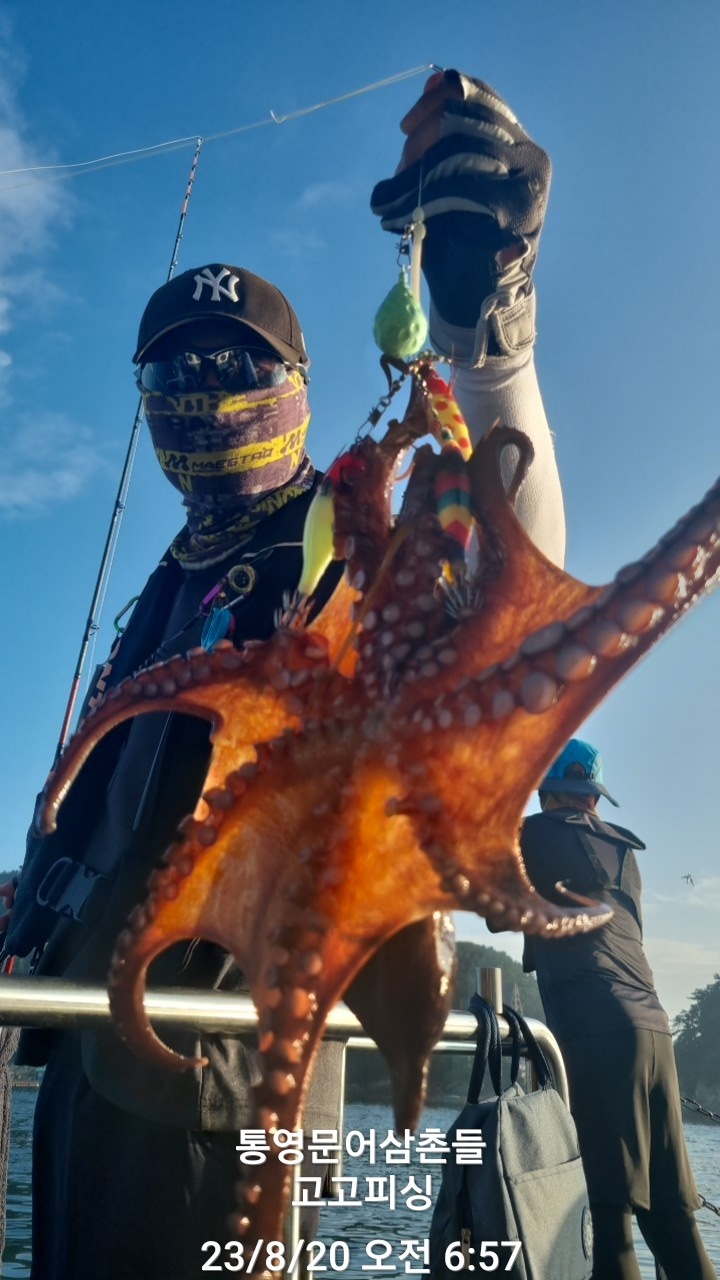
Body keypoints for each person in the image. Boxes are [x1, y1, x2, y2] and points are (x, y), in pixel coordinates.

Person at [3, 71, 567, 1279]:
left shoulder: (338, 535)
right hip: (88, 1057)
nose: (206, 396)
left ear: (302, 387)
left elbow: (504, 602)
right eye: (176, 378)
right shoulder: (168, 579)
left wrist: (488, 338)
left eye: (237, 367)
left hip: (224, 1078)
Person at [520, 738, 716, 1280]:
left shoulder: (531, 836)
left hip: (597, 1031)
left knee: (609, 1220)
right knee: (672, 1218)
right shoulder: (626, 853)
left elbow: (488, 903)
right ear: (594, 797)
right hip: (655, 1031)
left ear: (544, 791)